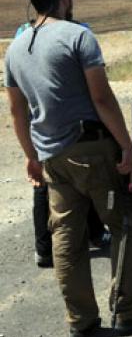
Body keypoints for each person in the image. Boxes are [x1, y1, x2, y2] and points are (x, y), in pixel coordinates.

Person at [4, 0, 132, 337]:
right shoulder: (78, 37)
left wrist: (31, 156)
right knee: (127, 224)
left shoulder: (14, 49)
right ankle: (128, 311)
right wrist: (126, 145)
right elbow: (102, 98)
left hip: (52, 159)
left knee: (66, 240)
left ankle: (81, 320)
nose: (72, 0)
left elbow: (15, 109)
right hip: (92, 150)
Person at [14, 20, 110, 268]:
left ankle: (46, 247)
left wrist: (28, 150)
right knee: (85, 183)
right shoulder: (79, 31)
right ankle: (93, 234)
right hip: (77, 129)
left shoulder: (23, 35)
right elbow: (97, 89)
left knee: (45, 188)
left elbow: (18, 106)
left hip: (42, 132)